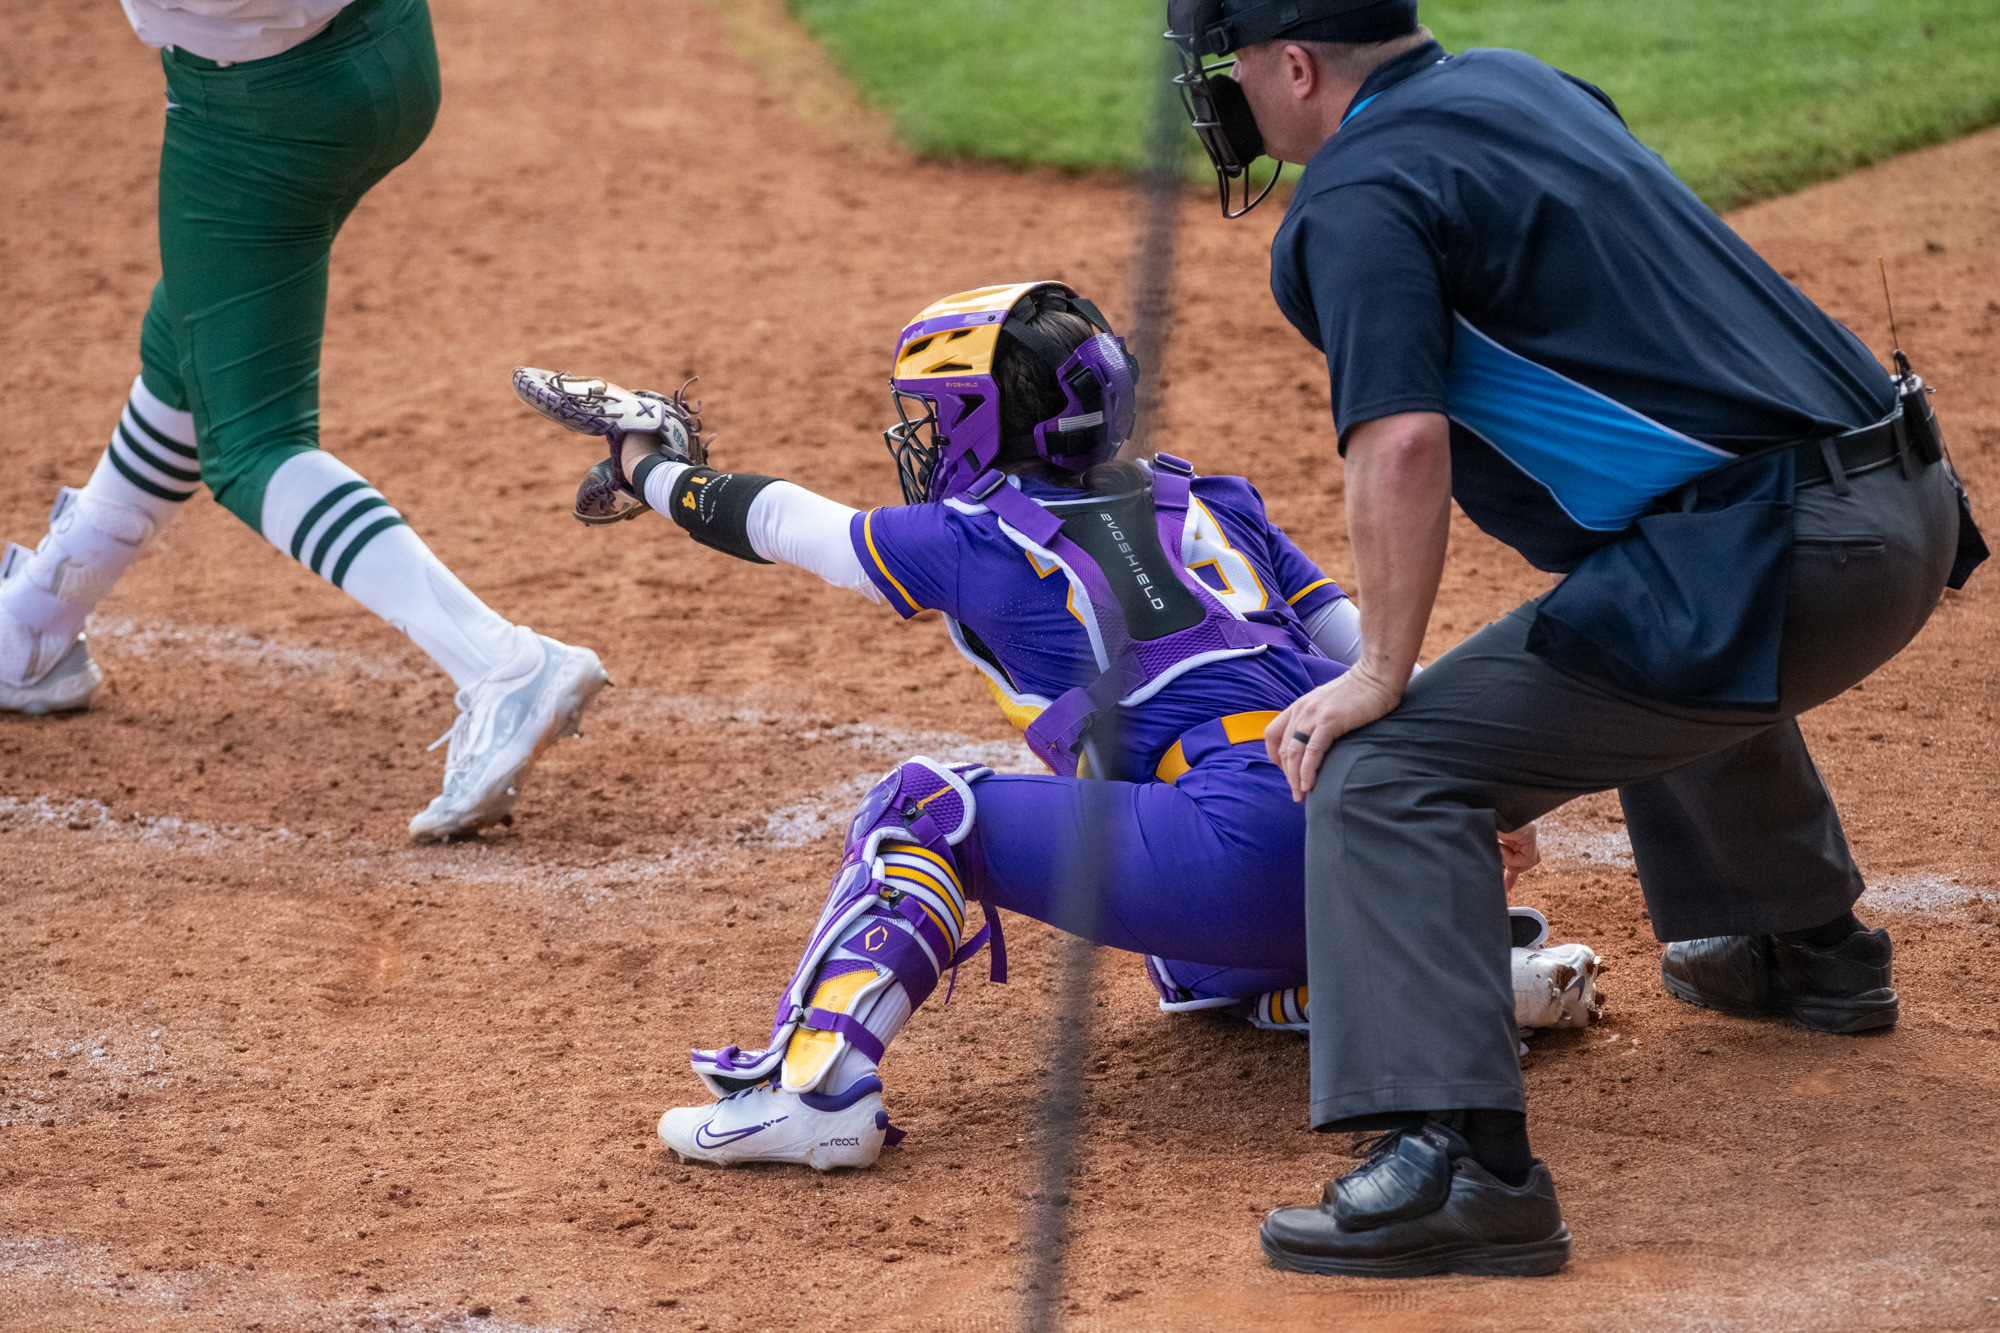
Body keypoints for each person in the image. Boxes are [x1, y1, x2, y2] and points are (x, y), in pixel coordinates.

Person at [1163, 0, 1984, 1280]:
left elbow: (1402, 440)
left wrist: (1380, 677)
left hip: (1787, 563)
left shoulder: (1355, 194)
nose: (1219, 91)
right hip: (1908, 507)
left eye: (1228, 63)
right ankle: (1797, 945)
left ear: (1292, 65)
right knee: (1636, 580)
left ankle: (1461, 1167)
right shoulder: (1521, 84)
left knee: (1386, 771)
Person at [510, 280, 1599, 1171]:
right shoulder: (1215, 500)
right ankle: (1436, 981)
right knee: (1179, 964)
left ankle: (818, 1089)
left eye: (934, 414)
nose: (922, 436)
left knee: (921, 807)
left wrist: (650, 469)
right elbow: (1373, 657)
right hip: (1386, 836)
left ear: (982, 422)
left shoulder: (974, 538)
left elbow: (786, 523)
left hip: (1237, 846)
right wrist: (1466, 802)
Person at [0, 0, 606, 842]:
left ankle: (502, 662)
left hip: (263, 110)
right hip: (389, 51)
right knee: (200, 334)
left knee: (251, 441)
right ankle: (34, 624)